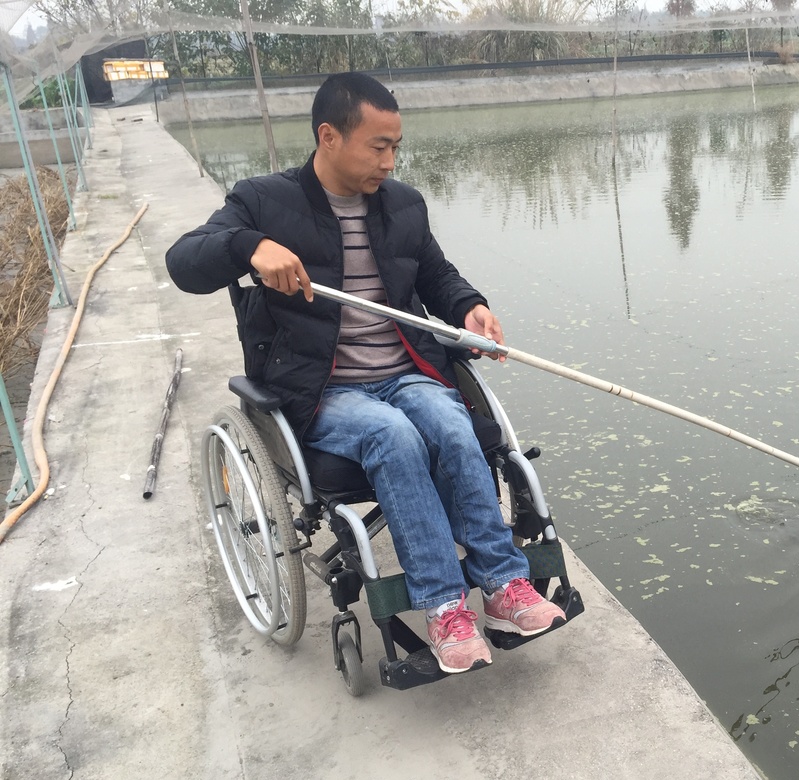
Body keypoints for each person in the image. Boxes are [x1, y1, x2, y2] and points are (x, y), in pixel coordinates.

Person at [166, 72, 564, 674]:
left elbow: (435, 274)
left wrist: (469, 308)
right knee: (393, 436)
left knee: (452, 424)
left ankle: (504, 587)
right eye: (378, 146)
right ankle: (444, 607)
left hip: (405, 371)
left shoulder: (403, 205)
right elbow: (183, 263)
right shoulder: (263, 202)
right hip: (323, 389)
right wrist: (248, 246)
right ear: (329, 136)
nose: (390, 161)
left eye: (396, 146)